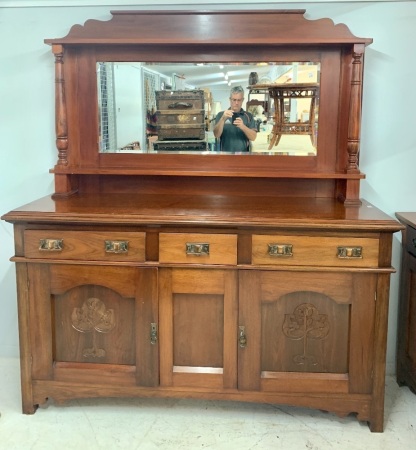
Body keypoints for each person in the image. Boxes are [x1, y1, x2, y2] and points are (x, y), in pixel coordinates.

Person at [213, 86, 257, 152]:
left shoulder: (248, 116)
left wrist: (243, 126)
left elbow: (253, 137)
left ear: (243, 100)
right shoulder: (221, 115)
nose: (236, 103)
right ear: (230, 99)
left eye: (239, 100)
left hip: (243, 156)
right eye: (234, 100)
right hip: (225, 155)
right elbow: (216, 135)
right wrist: (223, 119)